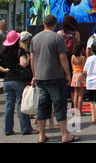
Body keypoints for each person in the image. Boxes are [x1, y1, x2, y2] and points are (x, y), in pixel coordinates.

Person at [30, 14, 80, 143]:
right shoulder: (57, 38)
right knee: (59, 105)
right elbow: (63, 57)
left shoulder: (34, 38)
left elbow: (32, 59)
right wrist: (68, 74)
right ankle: (65, 134)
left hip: (40, 76)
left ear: (43, 24)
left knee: (42, 106)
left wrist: (34, 75)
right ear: (54, 24)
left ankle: (41, 135)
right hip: (55, 76)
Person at [0, 30, 37, 135]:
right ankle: (25, 128)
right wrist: (28, 57)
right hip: (18, 79)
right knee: (22, 104)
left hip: (7, 80)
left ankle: (7, 129)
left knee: (9, 105)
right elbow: (24, 63)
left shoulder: (4, 52)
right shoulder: (19, 51)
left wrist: (4, 70)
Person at [57, 15, 81, 108]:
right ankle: (74, 105)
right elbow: (78, 47)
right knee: (73, 80)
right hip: (73, 58)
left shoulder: (59, 33)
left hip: (62, 57)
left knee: (62, 80)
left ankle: (63, 102)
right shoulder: (76, 34)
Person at [70, 41, 86, 116]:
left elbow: (72, 67)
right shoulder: (82, 58)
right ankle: (80, 111)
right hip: (81, 75)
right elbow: (84, 68)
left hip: (74, 75)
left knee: (75, 94)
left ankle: (75, 110)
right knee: (81, 94)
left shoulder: (72, 57)